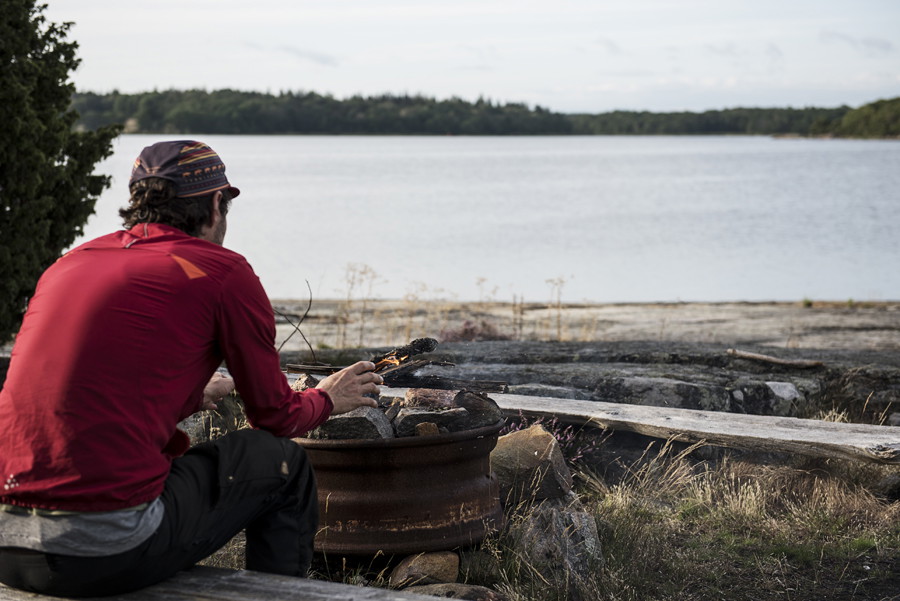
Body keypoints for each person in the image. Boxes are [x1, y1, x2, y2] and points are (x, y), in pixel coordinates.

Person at [0, 140, 382, 597]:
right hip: (103, 554)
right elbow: (276, 417)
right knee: (283, 465)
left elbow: (82, 392)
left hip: (7, 548)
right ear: (217, 204)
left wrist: (189, 395)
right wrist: (327, 399)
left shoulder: (69, 265)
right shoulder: (223, 272)